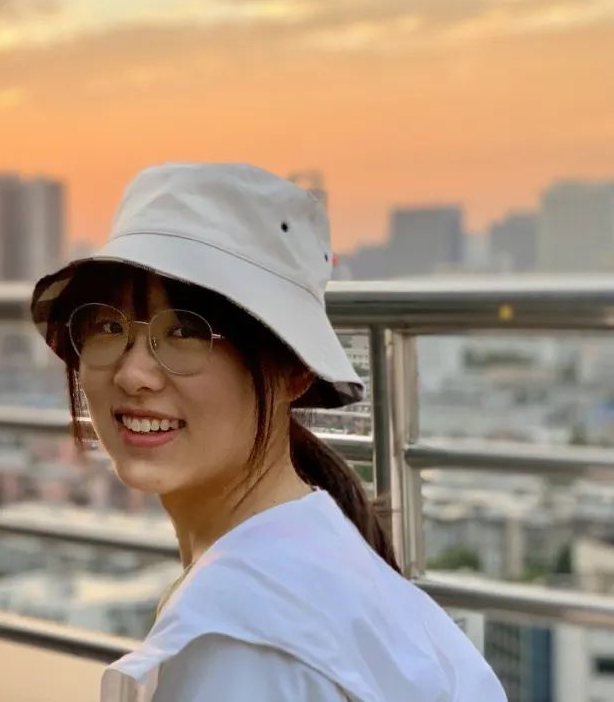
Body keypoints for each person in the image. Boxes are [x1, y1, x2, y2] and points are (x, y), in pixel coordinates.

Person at [30, 164, 506, 701]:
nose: (133, 373)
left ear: (294, 370)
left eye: (186, 330)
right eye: (107, 326)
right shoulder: (315, 559)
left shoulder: (238, 641)